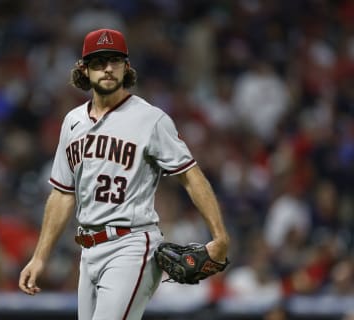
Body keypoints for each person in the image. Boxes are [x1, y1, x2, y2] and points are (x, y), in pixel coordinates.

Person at [19, 28, 229, 320]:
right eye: (98, 61)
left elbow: (190, 175)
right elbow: (62, 194)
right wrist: (40, 257)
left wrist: (219, 236)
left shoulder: (150, 119)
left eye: (114, 60)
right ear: (84, 69)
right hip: (88, 250)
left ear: (126, 67)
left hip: (130, 245)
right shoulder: (72, 122)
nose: (107, 68)